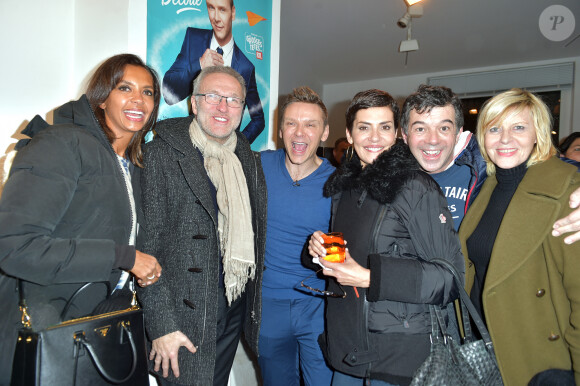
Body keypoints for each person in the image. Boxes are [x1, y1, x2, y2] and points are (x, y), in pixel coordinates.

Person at [0, 53, 162, 384]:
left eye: (148, 92)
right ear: (101, 98)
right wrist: (123, 257)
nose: (138, 100)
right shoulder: (60, 143)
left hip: (101, 330)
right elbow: (15, 247)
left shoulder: (132, 165)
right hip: (49, 330)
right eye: (125, 88)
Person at [308, 89, 464, 385]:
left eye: (385, 127)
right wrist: (317, 249)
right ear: (349, 135)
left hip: (396, 353)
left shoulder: (416, 187)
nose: (374, 137)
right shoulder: (345, 187)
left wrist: (369, 277)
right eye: (364, 127)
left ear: (397, 135)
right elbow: (354, 254)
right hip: (348, 346)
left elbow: (450, 278)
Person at [138, 66, 267, 386]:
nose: (223, 107)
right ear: (193, 104)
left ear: (242, 110)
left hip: (231, 305)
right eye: (212, 97)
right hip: (182, 315)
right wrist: (161, 325)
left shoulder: (247, 158)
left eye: (233, 100)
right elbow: (146, 250)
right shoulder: (161, 153)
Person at [458, 88, 580, 385]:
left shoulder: (567, 190)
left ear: (538, 133)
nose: (505, 139)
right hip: (484, 350)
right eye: (494, 128)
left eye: (519, 127)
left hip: (538, 361)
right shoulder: (487, 187)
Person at [401, 84, 580, 242]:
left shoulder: (484, 162)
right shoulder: (392, 178)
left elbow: (558, 168)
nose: (433, 139)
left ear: (458, 134)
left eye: (444, 128)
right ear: (404, 135)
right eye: (420, 128)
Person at [259, 86, 333, 386]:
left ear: (324, 132)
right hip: (267, 304)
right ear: (280, 129)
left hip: (318, 306)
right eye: (291, 123)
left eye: (310, 124)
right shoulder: (259, 166)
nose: (299, 133)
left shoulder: (340, 183)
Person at [162, 0, 265, 143]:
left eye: (222, 10)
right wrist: (199, 65)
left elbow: (258, 119)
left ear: (233, 12)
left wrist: (237, 147)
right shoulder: (193, 39)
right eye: (211, 8)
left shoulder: (246, 67)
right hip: (190, 145)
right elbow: (169, 94)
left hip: (224, 158)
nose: (216, 17)